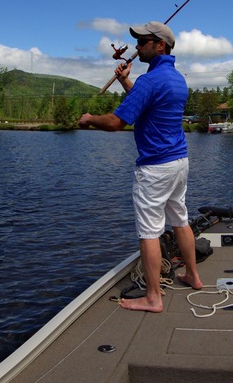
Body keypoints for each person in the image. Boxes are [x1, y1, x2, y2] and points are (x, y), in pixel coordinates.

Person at [78, 21, 203, 312]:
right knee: (180, 220)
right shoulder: (175, 79)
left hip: (155, 168)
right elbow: (146, 103)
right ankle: (194, 277)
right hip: (179, 163)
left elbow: (116, 122)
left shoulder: (151, 81)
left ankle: (153, 297)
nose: (136, 47)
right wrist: (125, 83)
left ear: (159, 46)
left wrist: (89, 118)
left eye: (142, 42)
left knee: (149, 231)